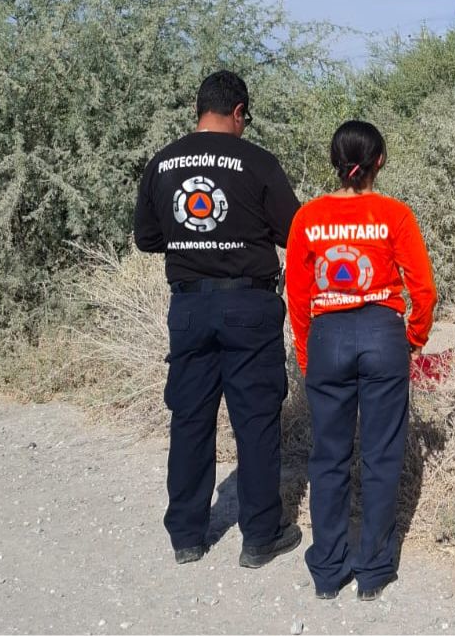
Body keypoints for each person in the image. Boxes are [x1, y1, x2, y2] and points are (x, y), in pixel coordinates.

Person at [134, 70, 302, 568]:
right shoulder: (257, 162)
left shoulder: (162, 162)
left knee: (189, 419)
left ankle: (187, 535)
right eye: (245, 119)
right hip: (249, 306)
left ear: (197, 110)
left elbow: (147, 238)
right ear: (238, 112)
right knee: (254, 421)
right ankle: (259, 538)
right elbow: (293, 230)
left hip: (188, 307)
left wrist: (192, 244)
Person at [285, 120, 437, 601]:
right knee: (381, 453)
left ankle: (328, 572)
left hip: (328, 336)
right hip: (382, 335)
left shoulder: (307, 217)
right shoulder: (394, 214)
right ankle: (373, 569)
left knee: (328, 457)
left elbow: (297, 295)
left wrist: (309, 353)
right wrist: (412, 338)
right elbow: (423, 291)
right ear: (380, 161)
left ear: (335, 161)